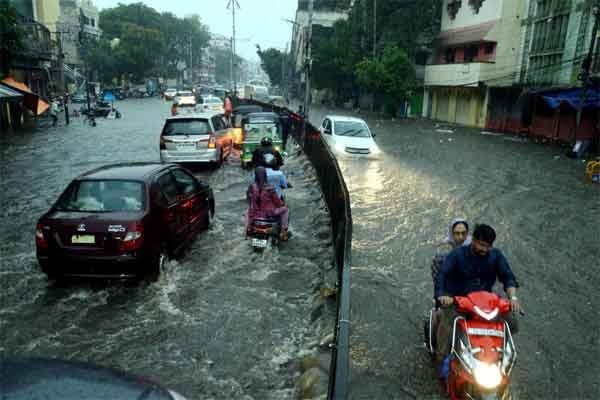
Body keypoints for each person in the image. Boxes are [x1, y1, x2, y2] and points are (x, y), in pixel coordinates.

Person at [434, 224, 521, 367]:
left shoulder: (496, 256)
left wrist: (513, 299)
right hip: (458, 302)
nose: (484, 249)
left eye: (488, 246)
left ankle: (501, 355)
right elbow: (442, 276)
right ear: (473, 240)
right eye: (481, 245)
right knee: (448, 325)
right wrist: (443, 296)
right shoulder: (457, 255)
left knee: (512, 322)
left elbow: (508, 278)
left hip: (485, 304)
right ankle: (442, 358)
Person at [246, 167, 289, 241]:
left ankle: (248, 229)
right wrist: (282, 205)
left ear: (256, 176)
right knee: (286, 209)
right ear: (265, 176)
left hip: (255, 214)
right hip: (269, 213)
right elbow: (278, 203)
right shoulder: (270, 188)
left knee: (247, 212)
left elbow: (249, 200)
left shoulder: (252, 187)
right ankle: (283, 232)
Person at [430, 219, 471, 284]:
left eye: (464, 233)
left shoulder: (473, 248)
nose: (461, 237)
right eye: (457, 233)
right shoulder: (441, 254)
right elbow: (438, 281)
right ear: (451, 234)